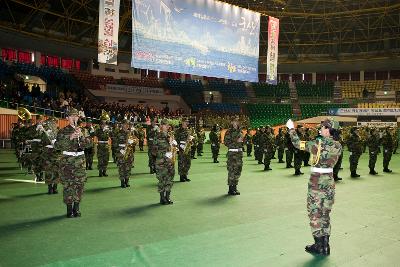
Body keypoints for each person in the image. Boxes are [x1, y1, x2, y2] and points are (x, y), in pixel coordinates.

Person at [287, 118, 342, 256]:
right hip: (329, 182)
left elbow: (297, 143)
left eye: (323, 127)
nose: (320, 129)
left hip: (317, 183)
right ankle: (325, 246)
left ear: (329, 130)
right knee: (325, 214)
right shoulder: (338, 145)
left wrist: (291, 129)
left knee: (315, 213)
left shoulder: (317, 144)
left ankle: (319, 245)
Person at [54, 108, 87, 218]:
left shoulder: (83, 130)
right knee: (68, 186)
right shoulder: (62, 131)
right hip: (67, 162)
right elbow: (57, 146)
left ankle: (76, 208)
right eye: (71, 116)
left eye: (76, 116)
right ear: (67, 118)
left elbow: (89, 144)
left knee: (79, 185)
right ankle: (69, 210)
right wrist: (70, 137)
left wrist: (81, 136)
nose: (74, 118)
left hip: (80, 162)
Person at [152, 119, 177, 204]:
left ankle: (167, 197)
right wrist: (164, 153)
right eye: (165, 125)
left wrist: (174, 147)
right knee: (162, 180)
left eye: (168, 125)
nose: (167, 126)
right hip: (161, 162)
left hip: (170, 162)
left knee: (170, 180)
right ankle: (162, 198)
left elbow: (173, 147)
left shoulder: (171, 136)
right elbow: (154, 152)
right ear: (161, 126)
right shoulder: (157, 136)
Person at [224, 116, 243, 195]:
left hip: (239, 154)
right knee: (232, 171)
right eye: (234, 121)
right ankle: (231, 189)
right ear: (231, 122)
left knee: (238, 171)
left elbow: (242, 143)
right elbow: (226, 142)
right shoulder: (229, 132)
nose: (236, 122)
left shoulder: (240, 131)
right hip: (232, 154)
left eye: (237, 121)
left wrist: (243, 141)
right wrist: (236, 140)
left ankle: (235, 187)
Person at [40, 117, 60, 194]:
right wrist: (45, 134)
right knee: (48, 170)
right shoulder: (45, 132)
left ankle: (55, 187)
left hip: (56, 153)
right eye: (51, 123)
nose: (53, 124)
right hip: (47, 153)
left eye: (54, 123)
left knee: (56, 170)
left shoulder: (59, 132)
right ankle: (49, 188)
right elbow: (42, 142)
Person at [116, 119, 137, 188]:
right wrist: (120, 151)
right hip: (121, 151)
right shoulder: (118, 133)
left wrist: (133, 141)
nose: (127, 125)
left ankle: (127, 180)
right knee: (121, 167)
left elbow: (135, 141)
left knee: (128, 166)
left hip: (129, 151)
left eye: (128, 124)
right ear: (122, 125)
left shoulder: (131, 132)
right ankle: (122, 181)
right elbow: (115, 143)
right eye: (125, 124)